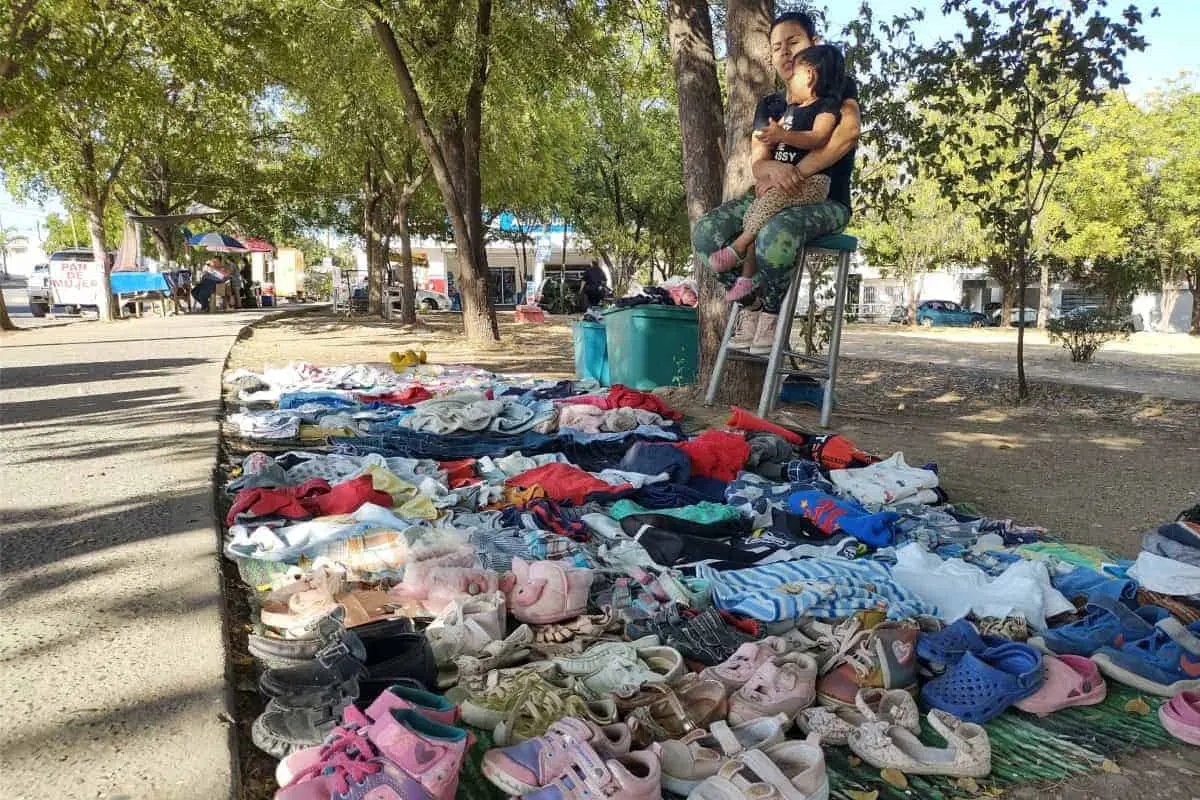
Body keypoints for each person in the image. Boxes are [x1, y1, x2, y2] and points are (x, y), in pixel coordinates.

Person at [692, 11, 861, 354]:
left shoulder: (837, 87)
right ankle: (751, 304)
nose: (784, 53)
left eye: (793, 43)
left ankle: (769, 315)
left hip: (825, 201)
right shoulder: (770, 104)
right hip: (770, 195)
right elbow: (758, 164)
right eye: (777, 46)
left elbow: (847, 134)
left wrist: (796, 173)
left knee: (774, 234)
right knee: (705, 233)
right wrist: (773, 171)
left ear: (814, 45)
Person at [709, 44, 846, 302]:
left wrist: (784, 135)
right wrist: (769, 167)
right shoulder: (789, 108)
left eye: (793, 73)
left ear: (810, 75)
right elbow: (768, 143)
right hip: (783, 183)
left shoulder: (825, 107)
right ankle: (747, 278)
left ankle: (738, 247)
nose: (788, 79)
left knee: (766, 210)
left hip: (810, 182)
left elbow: (818, 137)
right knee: (756, 214)